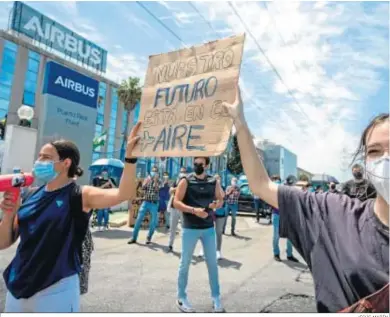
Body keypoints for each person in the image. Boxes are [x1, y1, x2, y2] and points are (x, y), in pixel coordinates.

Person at [223, 89, 389, 312]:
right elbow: (261, 185)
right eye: (375, 151)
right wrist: (240, 124)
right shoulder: (335, 214)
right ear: (365, 163)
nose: (385, 160)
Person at [0, 123, 141, 312]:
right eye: (39, 156)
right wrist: (8, 215)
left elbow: (123, 194)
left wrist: (130, 158)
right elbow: (4, 242)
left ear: (66, 163)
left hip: (56, 290)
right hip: (17, 287)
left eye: (46, 157)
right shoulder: (29, 195)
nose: (39, 161)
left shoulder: (80, 195)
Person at [173, 157, 225, 313]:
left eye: (200, 164)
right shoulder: (185, 181)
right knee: (185, 263)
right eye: (195, 163)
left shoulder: (213, 181)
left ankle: (216, 297)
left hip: (208, 228)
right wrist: (194, 211)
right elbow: (176, 202)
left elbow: (220, 199)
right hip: (190, 228)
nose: (197, 166)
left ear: (207, 165)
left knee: (212, 264)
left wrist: (216, 204)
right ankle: (181, 297)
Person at [128, 166, 160, 245]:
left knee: (153, 222)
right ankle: (134, 238)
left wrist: (155, 181)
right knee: (138, 219)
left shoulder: (159, 180)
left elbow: (156, 190)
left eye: (155, 171)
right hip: (145, 202)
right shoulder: (147, 179)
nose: (154, 172)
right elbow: (142, 188)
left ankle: (149, 237)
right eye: (153, 171)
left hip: (154, 203)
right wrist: (146, 181)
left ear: (157, 173)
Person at [271, 175, 298, 263]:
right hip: (277, 215)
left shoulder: (292, 191)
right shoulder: (278, 188)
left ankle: (289, 254)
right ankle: (276, 253)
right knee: (276, 235)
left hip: (288, 215)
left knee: (290, 236)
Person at [167, 166, 187, 252]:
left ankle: (184, 247)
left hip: (183, 208)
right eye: (181, 171)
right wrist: (178, 187)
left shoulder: (188, 182)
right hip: (174, 208)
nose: (182, 173)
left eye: (184, 172)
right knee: (172, 228)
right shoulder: (176, 181)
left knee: (184, 228)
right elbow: (170, 191)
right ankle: (170, 245)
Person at [213, 174, 226, 260]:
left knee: (218, 232)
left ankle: (218, 251)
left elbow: (223, 196)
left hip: (220, 214)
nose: (218, 180)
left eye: (219, 178)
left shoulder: (223, 188)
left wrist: (219, 186)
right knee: (207, 232)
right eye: (216, 179)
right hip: (211, 213)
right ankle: (204, 249)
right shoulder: (210, 187)